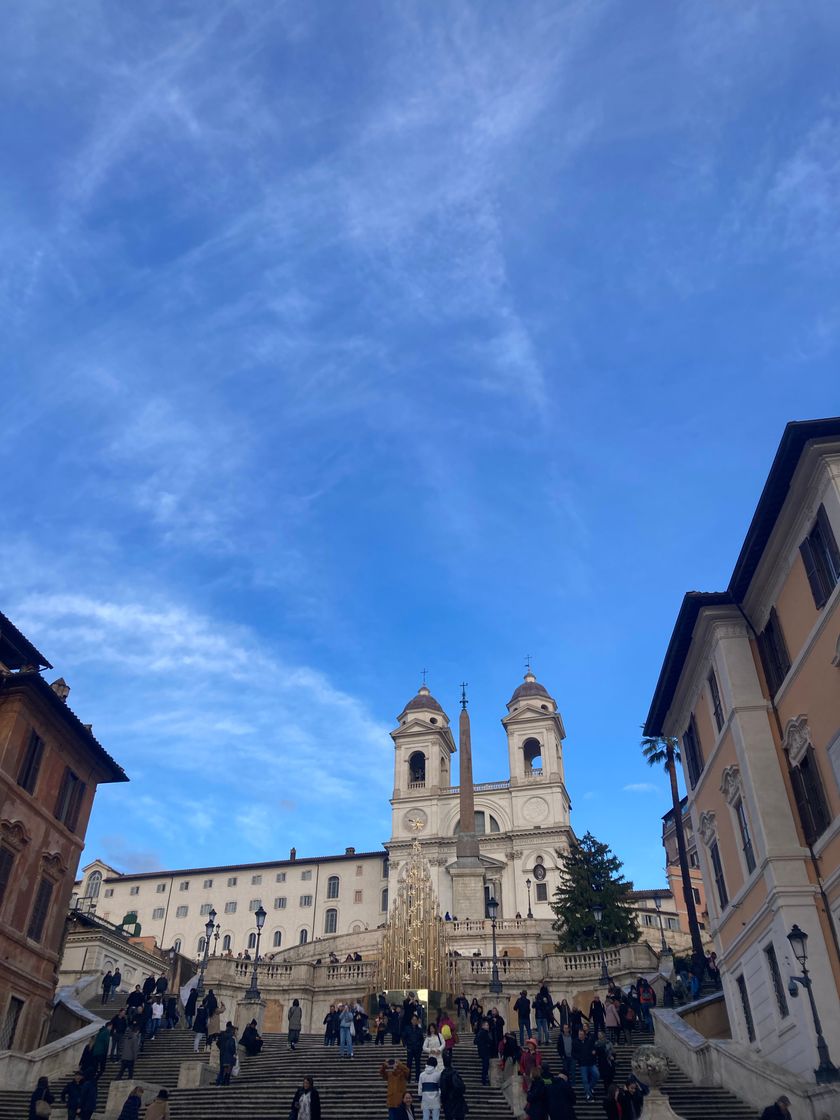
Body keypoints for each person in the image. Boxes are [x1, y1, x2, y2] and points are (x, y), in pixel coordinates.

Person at [439, 1051, 467, 1120]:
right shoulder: (455, 1072)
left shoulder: (444, 1074)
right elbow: (461, 1086)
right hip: (457, 1098)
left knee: (449, 1117)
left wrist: (442, 1099)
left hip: (448, 1099)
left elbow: (443, 1088)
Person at [381, 1056, 411, 1120]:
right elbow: (382, 1073)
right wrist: (384, 1065)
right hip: (391, 1101)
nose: (395, 1065)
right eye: (394, 1064)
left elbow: (407, 1071)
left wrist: (399, 1064)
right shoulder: (389, 1074)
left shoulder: (402, 1075)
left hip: (401, 1102)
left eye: (396, 1064)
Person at [574, 1028, 598, 1103]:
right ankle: (589, 1095)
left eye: (581, 1034)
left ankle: (589, 1088)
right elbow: (574, 1053)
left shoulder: (589, 1040)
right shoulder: (575, 1042)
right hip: (583, 1064)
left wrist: (594, 1051)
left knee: (597, 1075)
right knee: (585, 1080)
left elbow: (594, 1047)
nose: (580, 1036)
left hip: (591, 1062)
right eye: (579, 1034)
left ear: (584, 1035)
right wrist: (579, 1058)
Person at [418, 1056, 442, 1120]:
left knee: (425, 1117)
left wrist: (420, 1097)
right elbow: (440, 1087)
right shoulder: (438, 1074)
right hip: (435, 1098)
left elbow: (420, 1087)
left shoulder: (422, 1074)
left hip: (425, 1098)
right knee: (436, 1117)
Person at [403, 1014, 424, 1083]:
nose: (414, 1021)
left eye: (415, 1020)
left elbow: (422, 1039)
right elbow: (404, 1037)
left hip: (418, 1049)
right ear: (411, 1020)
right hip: (410, 1048)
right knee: (409, 1064)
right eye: (413, 1020)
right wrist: (405, 1045)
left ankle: (417, 1078)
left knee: (418, 1064)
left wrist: (420, 1047)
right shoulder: (407, 1028)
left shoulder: (419, 1029)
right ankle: (408, 1078)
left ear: (417, 1021)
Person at [473, 1018, 494, 1087]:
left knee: (485, 1066)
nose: (488, 1026)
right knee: (485, 1066)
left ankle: (484, 1079)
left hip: (482, 1051)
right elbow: (489, 1041)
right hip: (485, 1052)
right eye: (487, 1025)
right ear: (483, 1026)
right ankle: (484, 1080)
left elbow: (475, 1041)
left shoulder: (480, 1032)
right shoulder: (484, 1032)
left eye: (488, 1025)